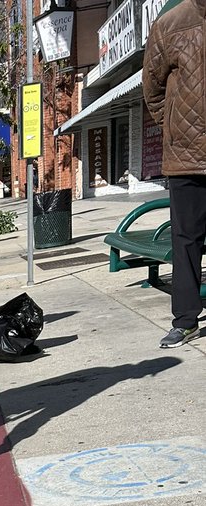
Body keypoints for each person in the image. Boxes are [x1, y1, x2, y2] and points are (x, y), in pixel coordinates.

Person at [143, 0, 206, 348]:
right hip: (186, 157)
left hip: (184, 153)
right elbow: (152, 89)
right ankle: (185, 320)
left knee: (185, 241)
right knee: (185, 241)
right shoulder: (169, 24)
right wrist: (176, 129)